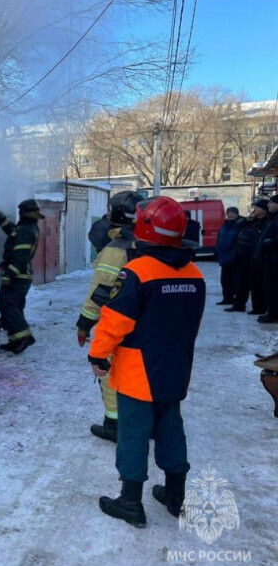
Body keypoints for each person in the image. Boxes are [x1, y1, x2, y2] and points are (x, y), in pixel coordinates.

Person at [88, 196, 205, 528]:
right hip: (175, 369)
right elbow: (191, 324)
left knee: (133, 435)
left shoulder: (136, 272)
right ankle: (176, 496)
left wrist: (97, 355)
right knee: (171, 430)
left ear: (144, 228)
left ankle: (130, 502)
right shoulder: (195, 273)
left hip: (139, 374)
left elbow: (114, 322)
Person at [76, 191, 143, 443]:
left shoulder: (116, 250)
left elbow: (100, 292)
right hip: (149, 324)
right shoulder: (151, 244)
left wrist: (84, 322)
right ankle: (148, 423)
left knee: (112, 374)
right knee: (144, 376)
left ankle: (114, 426)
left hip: (119, 323)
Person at [0, 199, 43, 355]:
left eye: (20, 212)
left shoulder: (26, 231)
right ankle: (15, 339)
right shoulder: (26, 228)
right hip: (22, 275)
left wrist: (9, 274)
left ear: (25, 212)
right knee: (15, 306)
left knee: (7, 306)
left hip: (18, 275)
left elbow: (21, 257)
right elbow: (11, 230)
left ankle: (25, 337)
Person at [227, 200, 269, 314]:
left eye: (257, 208)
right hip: (241, 256)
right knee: (240, 282)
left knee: (256, 284)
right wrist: (247, 219)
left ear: (264, 210)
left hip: (254, 257)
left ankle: (259, 307)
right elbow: (237, 226)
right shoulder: (251, 221)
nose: (254, 210)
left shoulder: (267, 222)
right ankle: (239, 304)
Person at [255, 196, 278, 323]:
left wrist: (266, 243)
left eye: (271, 203)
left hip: (273, 259)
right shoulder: (272, 219)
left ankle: (272, 314)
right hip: (269, 259)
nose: (269, 205)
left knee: (272, 288)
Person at [214, 207, 244, 305]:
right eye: (229, 213)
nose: (230, 215)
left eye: (233, 213)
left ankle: (235, 298)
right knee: (225, 280)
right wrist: (217, 250)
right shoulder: (225, 225)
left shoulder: (241, 224)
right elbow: (220, 238)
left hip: (235, 258)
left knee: (235, 280)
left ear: (237, 214)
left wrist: (235, 253)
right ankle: (227, 298)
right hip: (225, 257)